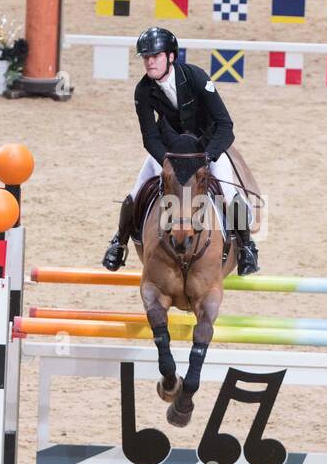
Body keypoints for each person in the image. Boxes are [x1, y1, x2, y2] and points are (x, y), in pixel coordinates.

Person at [102, 26, 259, 276]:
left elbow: (225, 125)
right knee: (135, 193)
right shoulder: (143, 91)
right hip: (169, 154)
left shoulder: (196, 77)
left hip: (206, 150)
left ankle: (247, 248)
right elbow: (149, 137)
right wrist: (166, 161)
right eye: (146, 57)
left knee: (229, 193)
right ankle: (118, 243)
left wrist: (209, 156)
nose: (150, 61)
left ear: (171, 57)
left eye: (155, 56)